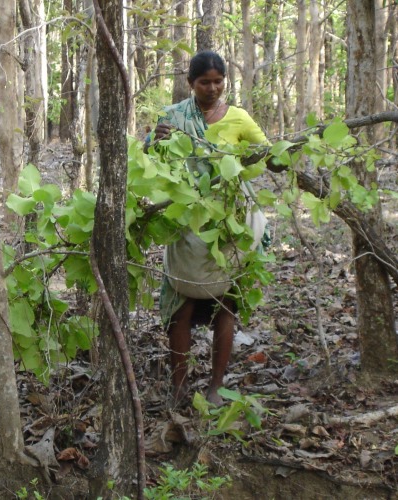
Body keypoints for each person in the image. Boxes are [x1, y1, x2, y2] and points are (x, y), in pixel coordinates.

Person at [147, 50, 274, 407]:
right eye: (205, 82)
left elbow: (265, 153)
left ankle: (216, 386)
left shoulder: (239, 118)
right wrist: (156, 141)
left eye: (219, 81)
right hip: (187, 222)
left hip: (229, 225)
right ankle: (179, 387)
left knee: (226, 305)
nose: (213, 88)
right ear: (191, 84)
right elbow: (152, 161)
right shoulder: (173, 118)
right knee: (181, 309)